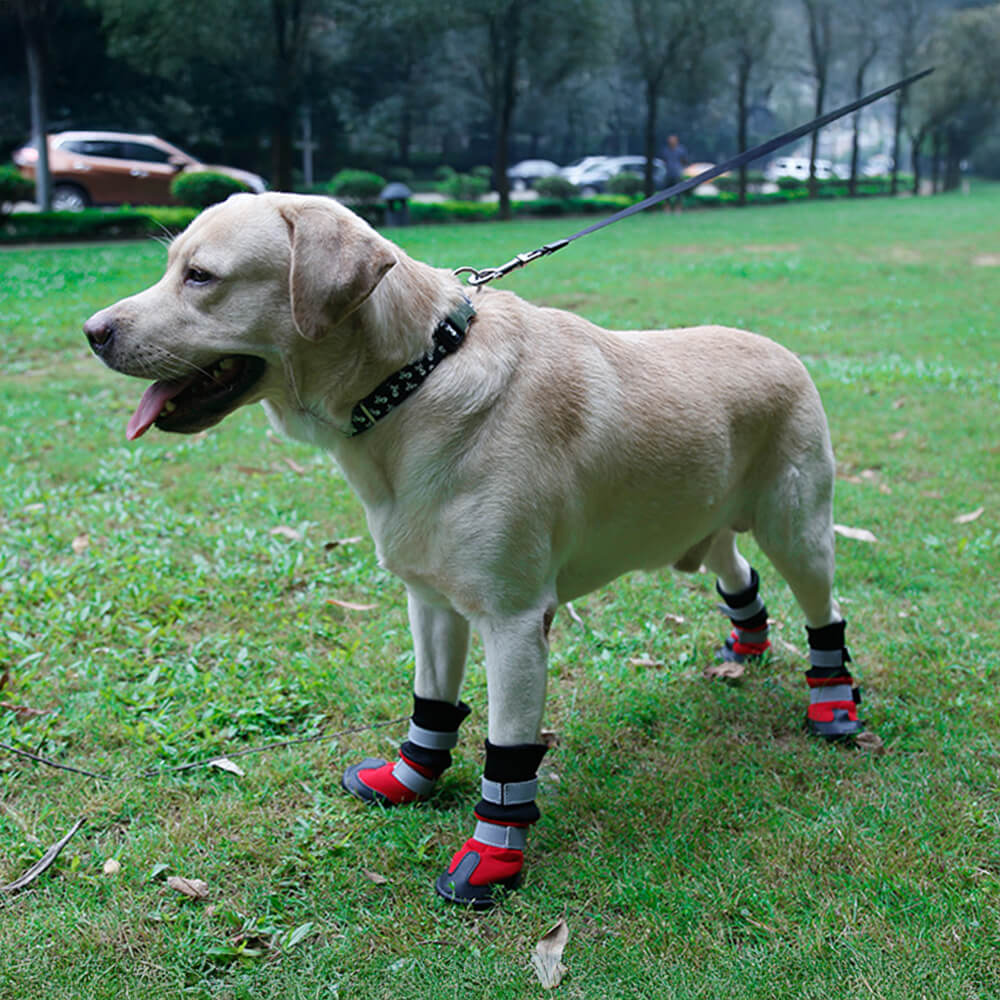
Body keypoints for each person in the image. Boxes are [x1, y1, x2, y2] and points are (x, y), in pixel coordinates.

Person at [662, 133, 688, 213]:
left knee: (678, 192)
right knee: (667, 192)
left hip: (677, 174)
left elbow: (684, 161)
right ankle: (667, 208)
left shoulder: (681, 150)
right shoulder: (666, 150)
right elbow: (664, 161)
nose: (671, 141)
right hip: (668, 173)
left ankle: (678, 208)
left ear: (676, 141)